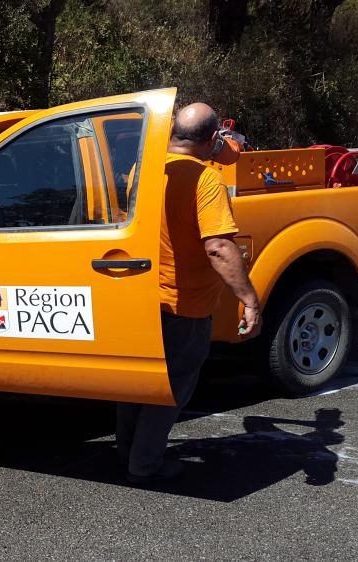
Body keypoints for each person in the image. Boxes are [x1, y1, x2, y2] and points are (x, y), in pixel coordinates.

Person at [116, 102, 261, 484]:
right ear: (213, 139)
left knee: (138, 383)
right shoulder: (205, 180)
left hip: (141, 295)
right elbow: (218, 247)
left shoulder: (141, 171)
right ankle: (145, 465)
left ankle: (128, 451)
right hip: (185, 305)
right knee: (172, 387)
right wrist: (249, 299)